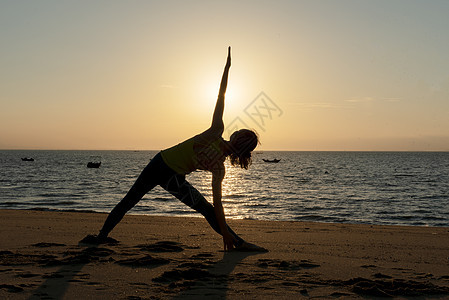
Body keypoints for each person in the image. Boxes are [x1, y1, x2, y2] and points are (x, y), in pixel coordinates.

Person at [83, 47, 265, 252]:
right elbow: (218, 207)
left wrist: (227, 68)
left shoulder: (216, 132)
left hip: (162, 166)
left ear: (236, 136)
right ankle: (238, 242)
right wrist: (225, 233)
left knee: (130, 201)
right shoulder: (218, 167)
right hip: (171, 176)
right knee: (206, 209)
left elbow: (220, 97)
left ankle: (101, 237)